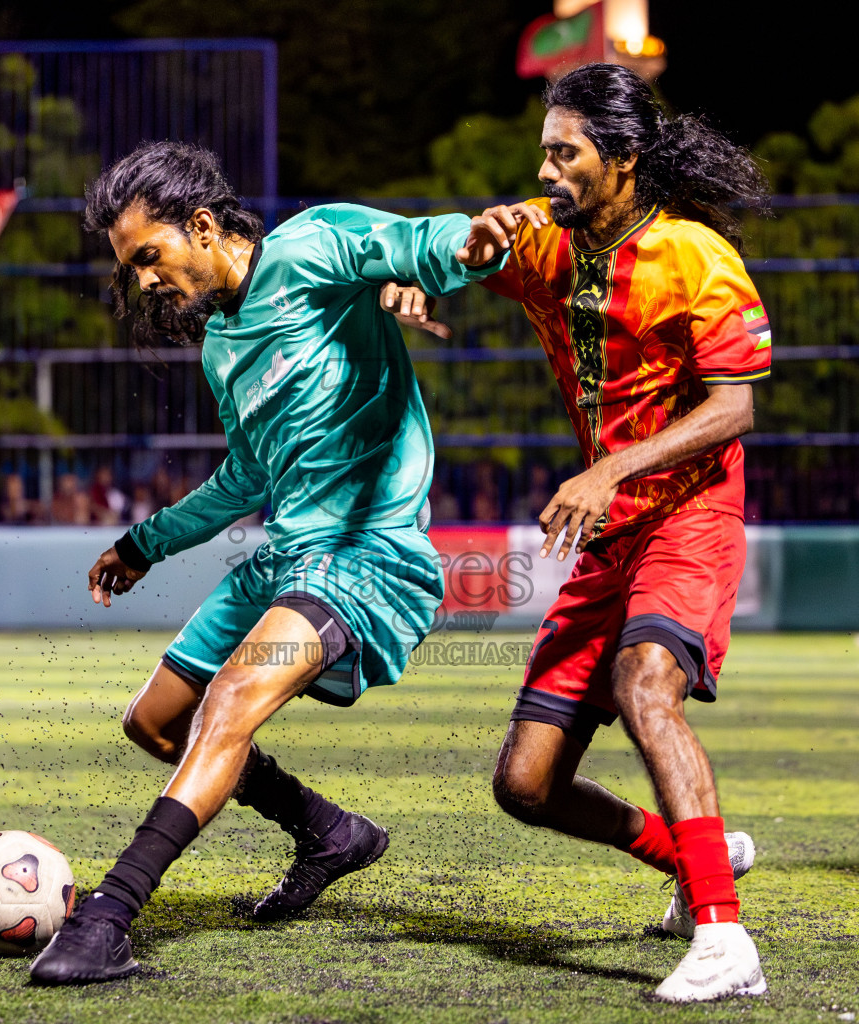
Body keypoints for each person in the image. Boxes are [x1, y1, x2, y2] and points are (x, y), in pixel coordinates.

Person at [28, 141, 512, 985]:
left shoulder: (312, 247)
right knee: (156, 721)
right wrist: (148, 541)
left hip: (366, 558)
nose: (143, 280)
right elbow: (247, 474)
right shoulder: (221, 344)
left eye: (150, 255)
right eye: (131, 265)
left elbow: (414, 246)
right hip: (286, 558)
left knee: (231, 701)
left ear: (205, 227)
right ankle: (328, 832)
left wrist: (468, 244)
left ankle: (108, 918)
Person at [389, 63, 772, 1003]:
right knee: (526, 785)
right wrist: (409, 284)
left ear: (624, 159)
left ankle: (726, 940)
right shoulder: (546, 239)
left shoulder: (695, 255)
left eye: (567, 154)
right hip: (611, 535)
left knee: (647, 686)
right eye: (544, 152)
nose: (547, 170)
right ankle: (692, 856)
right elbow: (463, 254)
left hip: (690, 511)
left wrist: (608, 469)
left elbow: (735, 409)